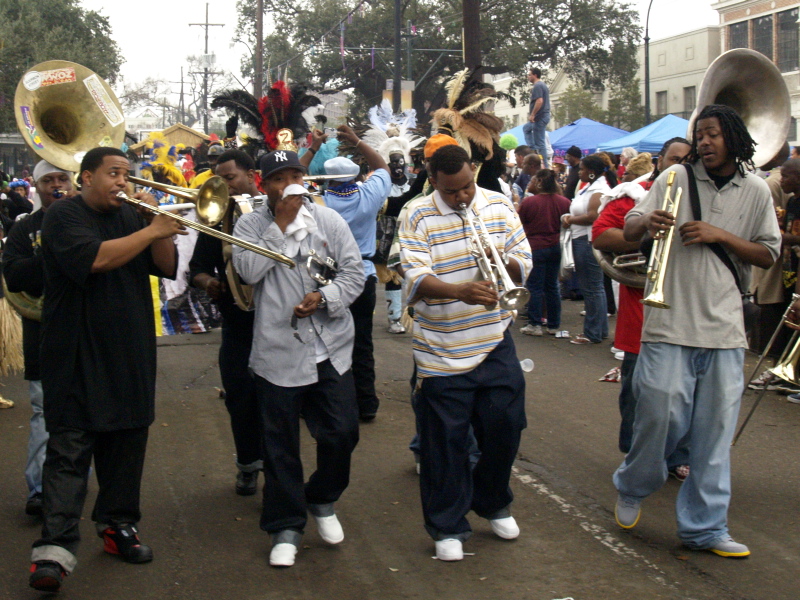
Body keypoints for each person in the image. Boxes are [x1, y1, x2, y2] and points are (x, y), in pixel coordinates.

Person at [614, 104, 781, 558]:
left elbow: (767, 255)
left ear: (733, 137)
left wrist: (720, 235)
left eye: (712, 134)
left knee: (712, 436)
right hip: (669, 323)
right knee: (659, 414)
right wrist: (646, 222)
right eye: (699, 135)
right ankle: (634, 483)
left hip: (725, 331)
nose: (704, 142)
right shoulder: (674, 179)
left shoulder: (758, 191)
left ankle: (706, 529)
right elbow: (629, 227)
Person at [28, 147, 184, 593]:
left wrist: (162, 229)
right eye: (113, 173)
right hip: (75, 352)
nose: (122, 181)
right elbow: (94, 259)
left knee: (126, 445)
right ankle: (53, 551)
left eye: (126, 174)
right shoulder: (62, 217)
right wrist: (150, 227)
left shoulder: (134, 216)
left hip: (129, 352)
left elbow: (166, 266)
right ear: (86, 177)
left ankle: (118, 527)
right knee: (69, 452)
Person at [398, 144, 532, 561]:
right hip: (440, 348)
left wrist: (503, 265)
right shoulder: (415, 213)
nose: (462, 197)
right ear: (432, 179)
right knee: (445, 443)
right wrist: (459, 290)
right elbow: (415, 275)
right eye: (452, 191)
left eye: (467, 186)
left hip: (493, 339)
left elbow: (524, 256)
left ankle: (491, 500)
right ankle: (447, 526)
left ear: (475, 171)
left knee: (506, 425)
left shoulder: (496, 202)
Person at [232, 149, 364, 568]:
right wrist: (282, 225)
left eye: (296, 175)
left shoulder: (329, 220)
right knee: (280, 445)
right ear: (262, 182)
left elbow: (353, 273)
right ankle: (285, 525)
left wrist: (326, 297)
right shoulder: (249, 224)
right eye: (279, 178)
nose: (290, 184)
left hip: (332, 346)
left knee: (343, 433)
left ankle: (321, 498)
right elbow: (248, 271)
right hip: (278, 350)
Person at [592, 140, 691, 479]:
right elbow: (601, 236)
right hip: (641, 315)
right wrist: (649, 239)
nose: (680, 166)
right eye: (675, 159)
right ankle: (635, 455)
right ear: (660, 161)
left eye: (686, 160)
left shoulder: (700, 195)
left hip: (685, 312)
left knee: (683, 393)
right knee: (637, 393)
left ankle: (677, 456)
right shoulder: (635, 193)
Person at [189, 149, 263, 496]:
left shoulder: (276, 210)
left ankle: (278, 471)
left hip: (279, 322)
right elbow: (197, 269)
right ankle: (248, 465)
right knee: (239, 394)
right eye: (219, 180)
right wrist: (210, 283)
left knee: (280, 400)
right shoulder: (217, 218)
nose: (225, 187)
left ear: (251, 174)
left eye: (230, 178)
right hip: (237, 322)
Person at [2, 161, 72, 518]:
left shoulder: (90, 219)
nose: (56, 185)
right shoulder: (24, 227)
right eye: (49, 180)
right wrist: (54, 255)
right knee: (44, 414)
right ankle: (40, 489)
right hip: (43, 337)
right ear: (36, 186)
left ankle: (71, 484)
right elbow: (13, 275)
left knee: (85, 414)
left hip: (86, 334)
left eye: (63, 179)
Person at [320, 125, 392, 421]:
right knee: (362, 343)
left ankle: (332, 403)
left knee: (326, 343)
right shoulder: (368, 194)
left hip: (329, 278)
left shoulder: (320, 202)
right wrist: (359, 142)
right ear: (354, 176)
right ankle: (366, 403)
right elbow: (382, 167)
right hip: (363, 277)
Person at [562, 154, 616, 344]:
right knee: (594, 287)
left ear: (592, 172)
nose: (580, 172)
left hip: (587, 239)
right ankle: (598, 330)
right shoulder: (591, 188)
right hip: (583, 238)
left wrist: (570, 219)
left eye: (583, 169)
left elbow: (593, 215)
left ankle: (592, 332)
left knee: (592, 288)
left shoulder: (598, 190)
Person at [518, 169, 570, 337]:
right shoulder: (564, 202)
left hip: (535, 246)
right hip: (555, 246)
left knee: (534, 286)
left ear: (539, 182)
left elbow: (519, 223)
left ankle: (535, 323)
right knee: (552, 286)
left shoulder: (529, 202)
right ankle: (554, 324)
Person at [523, 67, 550, 167]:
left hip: (540, 117)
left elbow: (539, 101)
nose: (528, 77)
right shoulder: (542, 85)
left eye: (530, 75)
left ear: (535, 75)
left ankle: (545, 166)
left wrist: (533, 114)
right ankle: (533, 149)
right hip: (542, 116)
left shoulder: (538, 86)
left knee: (540, 143)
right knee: (526, 128)